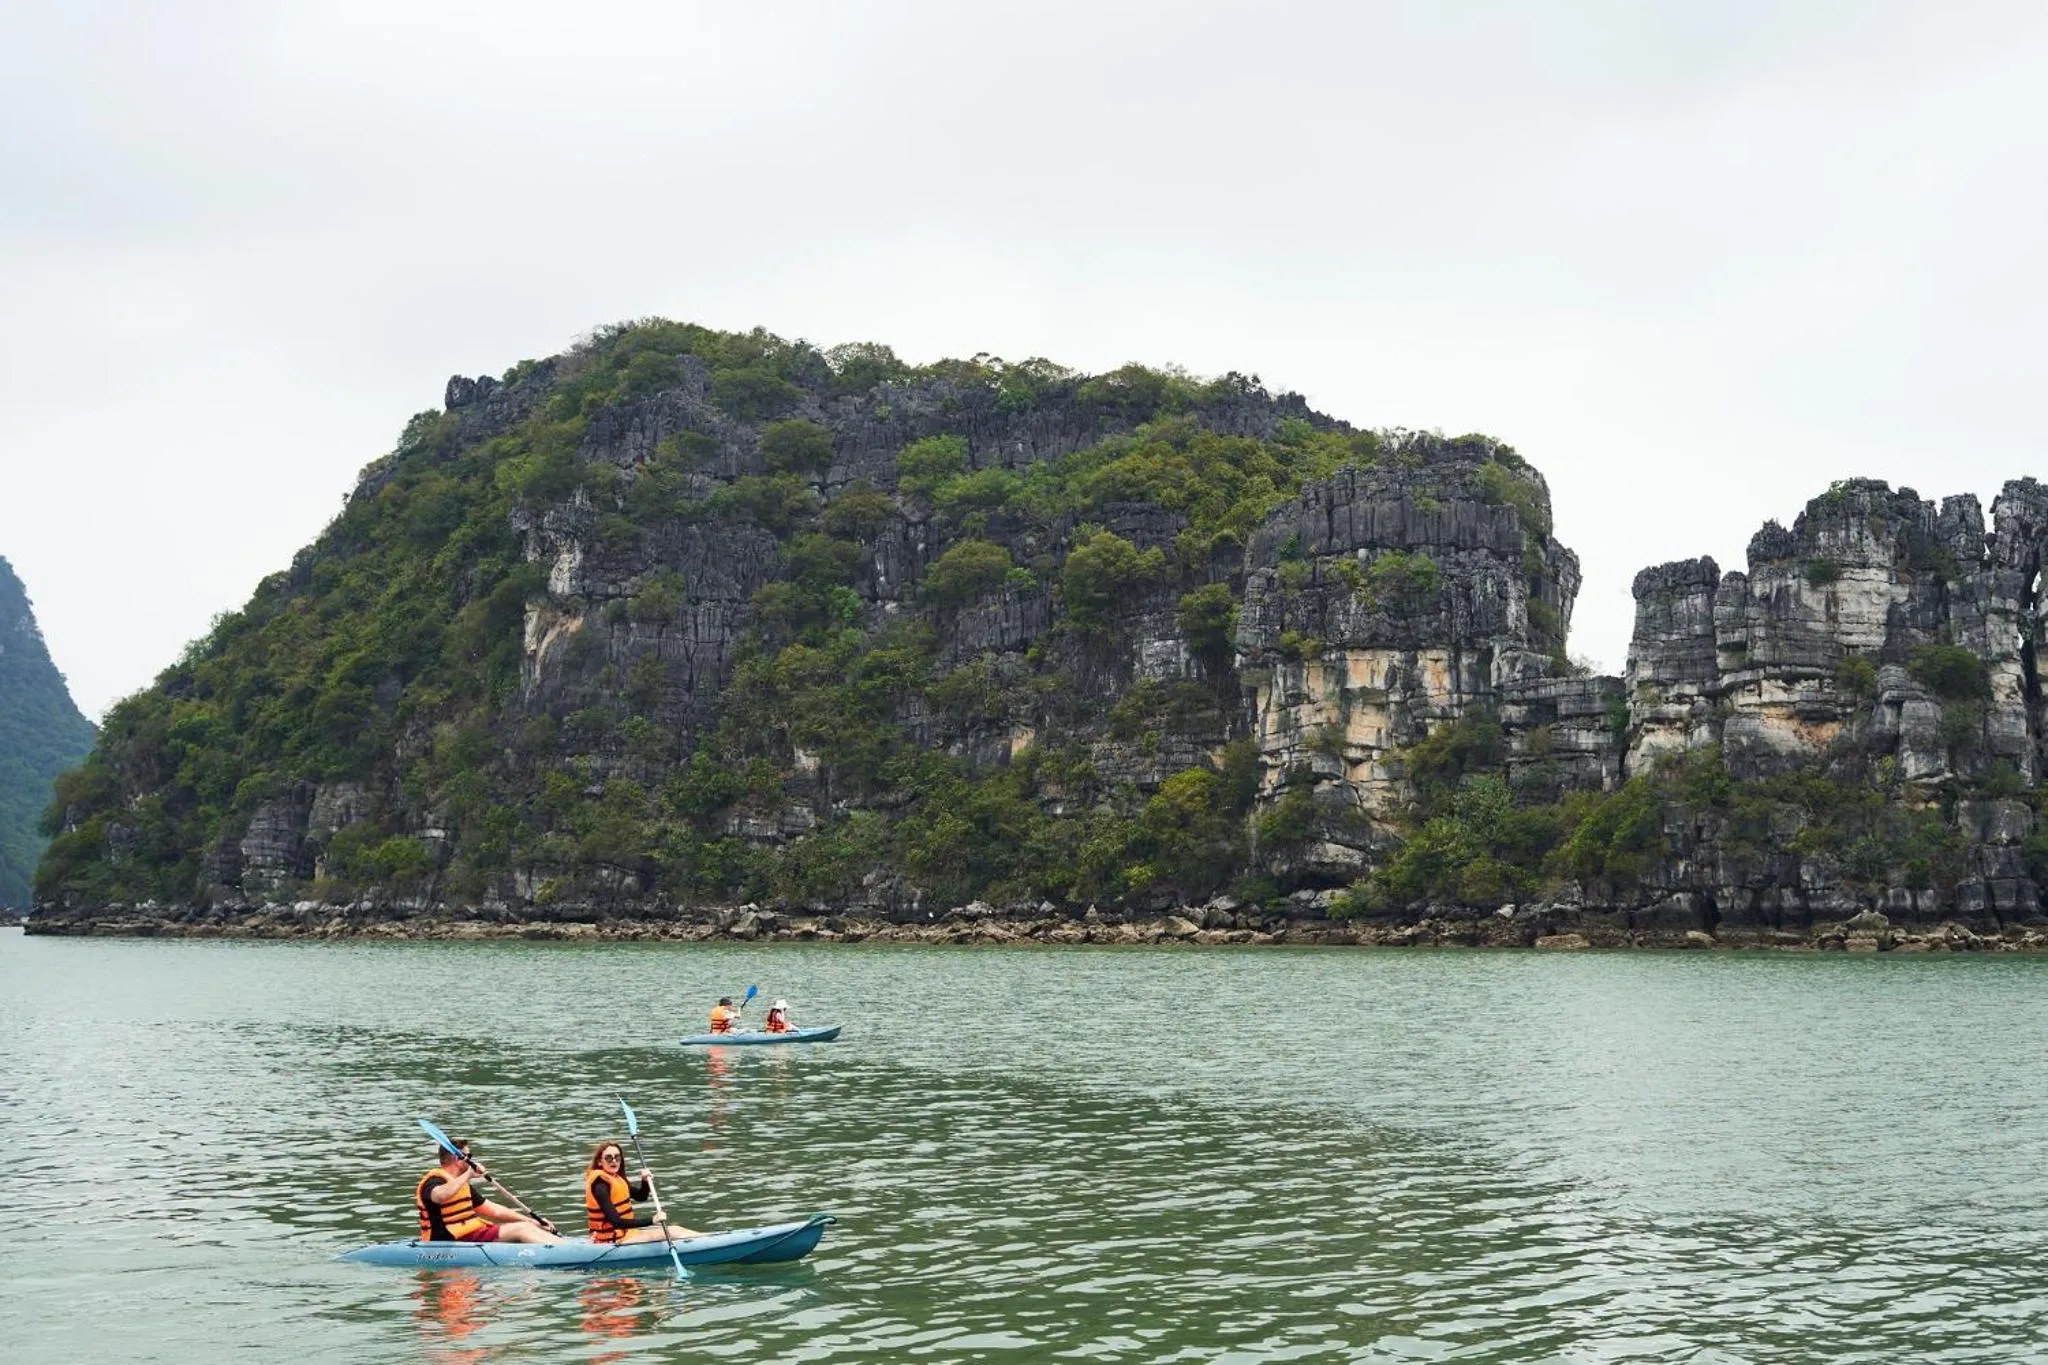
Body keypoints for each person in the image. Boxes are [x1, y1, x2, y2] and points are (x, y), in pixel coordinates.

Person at [416, 1138, 561, 1244]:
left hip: (470, 1234)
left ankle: (563, 1246)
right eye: (469, 1156)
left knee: (526, 1225)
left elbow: (495, 1211)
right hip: (447, 1239)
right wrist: (468, 1174)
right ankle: (563, 1252)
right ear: (458, 1158)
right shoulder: (433, 1181)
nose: (472, 1159)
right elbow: (440, 1196)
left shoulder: (462, 1185)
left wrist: (532, 1221)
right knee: (520, 1229)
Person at [584, 1139, 696, 1242]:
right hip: (612, 1240)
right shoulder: (600, 1186)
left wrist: (645, 1181)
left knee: (676, 1228)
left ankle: (709, 1239)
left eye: (617, 1157)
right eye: (609, 1158)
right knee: (672, 1232)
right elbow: (616, 1222)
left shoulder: (616, 1179)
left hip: (626, 1234)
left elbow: (641, 1196)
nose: (614, 1161)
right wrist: (652, 1220)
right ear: (599, 1161)